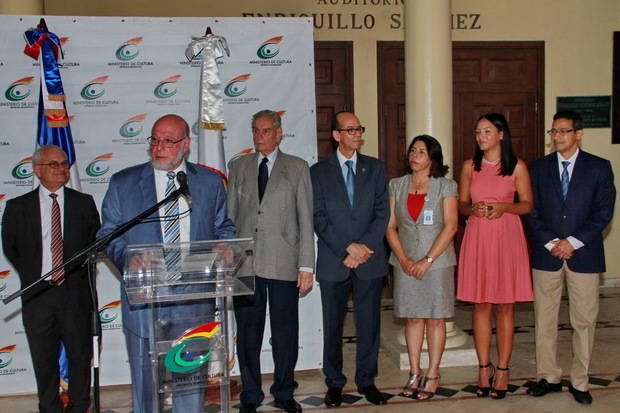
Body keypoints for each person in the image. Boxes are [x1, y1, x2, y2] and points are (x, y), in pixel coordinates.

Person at [98, 114, 235, 413]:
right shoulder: (124, 183)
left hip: (194, 300)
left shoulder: (209, 182)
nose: (159, 146)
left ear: (185, 144)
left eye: (168, 141)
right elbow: (108, 233)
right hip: (145, 300)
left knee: (190, 385)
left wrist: (225, 246)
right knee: (146, 388)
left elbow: (223, 226)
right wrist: (128, 257)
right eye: (155, 139)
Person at [525, 110, 616, 405]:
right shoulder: (538, 168)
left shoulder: (599, 167)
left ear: (578, 133)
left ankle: (580, 381)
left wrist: (573, 242)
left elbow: (604, 212)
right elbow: (530, 210)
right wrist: (553, 242)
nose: (557, 137)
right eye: (554, 132)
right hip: (547, 253)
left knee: (584, 321)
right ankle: (548, 376)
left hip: (584, 254)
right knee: (545, 319)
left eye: (563, 131)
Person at [227, 110, 314, 413]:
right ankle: (250, 394)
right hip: (246, 266)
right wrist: (228, 260)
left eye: (265, 131)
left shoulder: (298, 168)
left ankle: (284, 391)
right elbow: (230, 218)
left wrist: (306, 265)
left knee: (285, 332)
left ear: (279, 134)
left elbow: (305, 219)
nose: (259, 136)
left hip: (284, 263)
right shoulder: (238, 166)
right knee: (249, 334)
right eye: (255, 131)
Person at [2, 145, 100, 413]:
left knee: (80, 357)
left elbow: (94, 243)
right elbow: (11, 248)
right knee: (44, 359)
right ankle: (49, 407)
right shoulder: (17, 207)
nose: (61, 168)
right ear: (37, 170)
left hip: (74, 294)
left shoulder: (84, 203)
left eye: (64, 163)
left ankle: (80, 406)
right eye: (53, 164)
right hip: (38, 295)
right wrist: (38, 274)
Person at [310, 111, 389, 407]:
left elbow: (382, 212)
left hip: (369, 260)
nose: (357, 134)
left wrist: (363, 248)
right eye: (350, 129)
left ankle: (367, 380)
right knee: (332, 326)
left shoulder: (376, 168)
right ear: (336, 135)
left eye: (359, 128)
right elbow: (318, 217)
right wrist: (347, 248)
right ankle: (334, 383)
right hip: (335, 260)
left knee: (369, 324)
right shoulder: (318, 172)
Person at [456, 113, 533, 400]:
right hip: (478, 237)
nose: (481, 137)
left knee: (505, 306)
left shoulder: (517, 166)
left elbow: (527, 205)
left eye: (487, 131)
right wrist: (471, 210)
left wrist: (504, 208)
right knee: (481, 305)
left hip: (506, 237)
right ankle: (483, 367)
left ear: (501, 134)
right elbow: (462, 204)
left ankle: (502, 369)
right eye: (477, 132)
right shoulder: (469, 166)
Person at [385, 135, 458, 400]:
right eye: (413, 151)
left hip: (437, 264)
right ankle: (415, 372)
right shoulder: (396, 185)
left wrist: (427, 259)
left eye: (422, 152)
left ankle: (433, 372)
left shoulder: (446, 186)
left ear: (433, 159)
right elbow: (390, 226)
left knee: (435, 319)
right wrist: (404, 259)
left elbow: (451, 226)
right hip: (405, 263)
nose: (415, 156)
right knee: (413, 318)